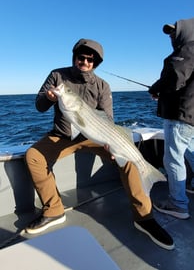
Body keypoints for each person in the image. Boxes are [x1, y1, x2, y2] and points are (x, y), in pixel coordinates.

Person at [25, 38, 174, 250]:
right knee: (33, 156)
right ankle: (53, 210)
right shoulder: (58, 76)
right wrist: (50, 97)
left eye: (90, 59)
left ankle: (145, 218)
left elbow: (108, 120)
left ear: (95, 63)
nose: (84, 62)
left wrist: (112, 144)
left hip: (94, 136)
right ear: (74, 57)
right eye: (81, 57)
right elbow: (39, 106)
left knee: (129, 158)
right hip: (62, 135)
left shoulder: (103, 86)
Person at [149, 17, 194, 220]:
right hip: (191, 116)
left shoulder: (189, 48)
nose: (172, 36)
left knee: (173, 159)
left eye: (175, 32)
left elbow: (176, 76)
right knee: (192, 153)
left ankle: (178, 204)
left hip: (179, 116)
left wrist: (157, 88)